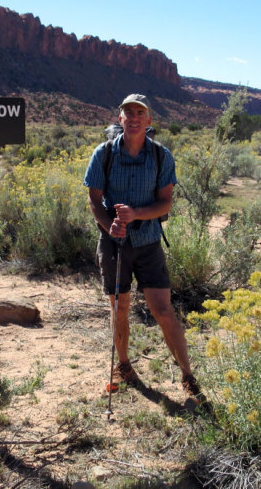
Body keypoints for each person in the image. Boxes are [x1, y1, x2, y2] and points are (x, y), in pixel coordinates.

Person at [83, 93, 202, 401]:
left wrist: (135, 214)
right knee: (119, 306)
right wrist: (108, 223)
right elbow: (94, 201)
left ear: (149, 120)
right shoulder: (104, 154)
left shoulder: (162, 156)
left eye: (140, 113)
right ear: (120, 118)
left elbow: (165, 204)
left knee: (163, 310)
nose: (134, 117)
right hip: (113, 243)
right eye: (128, 112)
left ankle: (187, 373)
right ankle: (123, 365)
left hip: (148, 241)